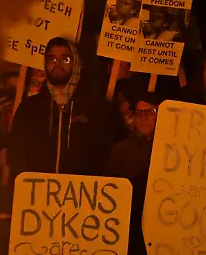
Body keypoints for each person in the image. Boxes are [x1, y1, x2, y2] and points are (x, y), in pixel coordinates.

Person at [7, 37, 124, 178]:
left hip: (82, 194)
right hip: (37, 194)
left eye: (65, 59)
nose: (58, 64)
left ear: (75, 63)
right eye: (52, 59)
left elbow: (110, 155)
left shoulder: (98, 108)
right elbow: (15, 154)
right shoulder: (29, 108)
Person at [104, 91, 164, 255]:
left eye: (150, 111)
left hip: (160, 242)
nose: (144, 117)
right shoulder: (120, 152)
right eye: (139, 112)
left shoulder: (172, 151)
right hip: (128, 240)